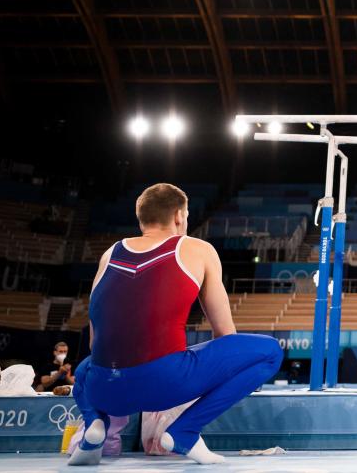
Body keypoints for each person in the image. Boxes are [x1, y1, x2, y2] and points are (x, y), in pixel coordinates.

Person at [69, 183, 282, 466]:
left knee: (85, 368)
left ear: (141, 218)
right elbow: (225, 335)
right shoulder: (198, 249)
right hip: (165, 385)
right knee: (270, 352)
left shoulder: (110, 254)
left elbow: (96, 343)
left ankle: (94, 424)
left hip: (105, 390)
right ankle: (185, 431)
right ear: (180, 216)